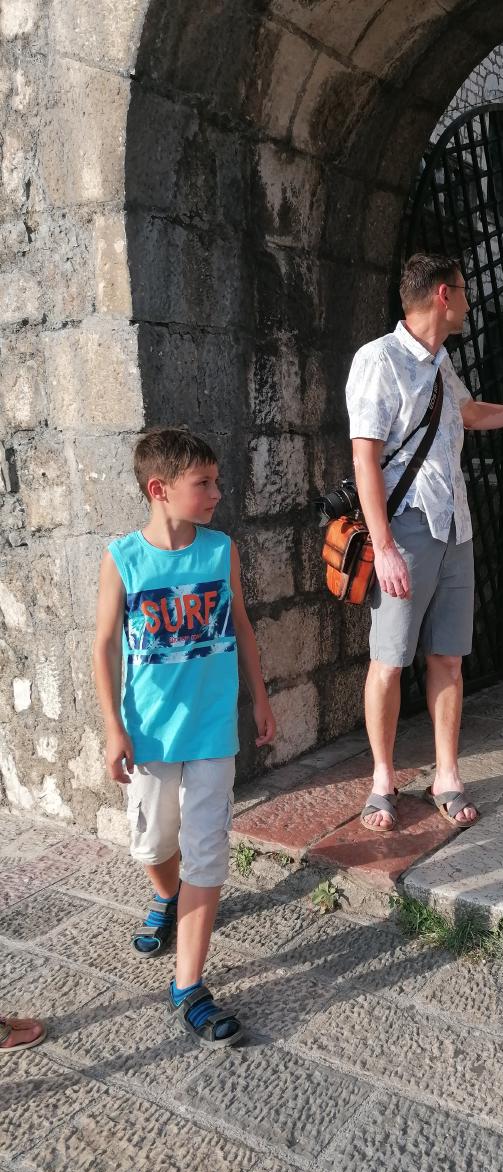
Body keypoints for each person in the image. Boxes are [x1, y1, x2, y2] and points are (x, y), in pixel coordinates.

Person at [347, 252, 503, 833]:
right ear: (443, 294)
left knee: (449, 658)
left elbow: (465, 413)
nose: (468, 299)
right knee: (388, 661)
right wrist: (384, 546)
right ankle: (383, 779)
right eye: (463, 290)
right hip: (407, 527)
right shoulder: (379, 360)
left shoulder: (440, 364)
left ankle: (446, 773)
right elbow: (365, 456)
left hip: (455, 525)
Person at [93, 428, 276, 1047]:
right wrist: (114, 728)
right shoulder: (123, 558)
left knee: (207, 849)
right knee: (152, 845)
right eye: (204, 484)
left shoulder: (221, 550)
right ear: (159, 489)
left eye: (216, 482)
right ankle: (166, 896)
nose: (217, 493)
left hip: (211, 729)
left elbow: (243, 626)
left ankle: (188, 984)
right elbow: (101, 647)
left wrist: (260, 697)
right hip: (148, 735)